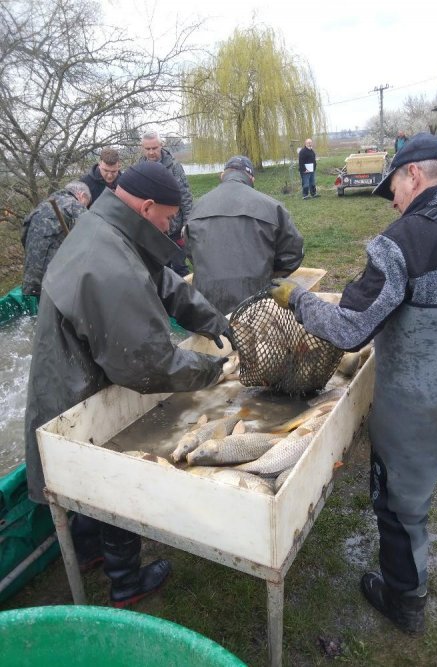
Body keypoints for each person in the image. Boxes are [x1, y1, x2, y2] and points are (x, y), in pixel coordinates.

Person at [268, 133, 437, 637]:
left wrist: (298, 298)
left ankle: (405, 602)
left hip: (423, 415)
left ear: (413, 175)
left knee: (401, 509)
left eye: (392, 186)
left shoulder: (404, 241)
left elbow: (349, 330)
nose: (391, 199)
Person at [24, 161, 233, 608]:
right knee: (105, 474)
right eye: (168, 217)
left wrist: (215, 321)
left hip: (69, 373)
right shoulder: (109, 261)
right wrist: (214, 369)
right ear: (148, 206)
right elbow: (150, 365)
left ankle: (88, 552)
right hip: (74, 389)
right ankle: (125, 583)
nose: (171, 225)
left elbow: (165, 281)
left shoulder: (108, 225)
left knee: (81, 477)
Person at [185, 155, 304, 315]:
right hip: (256, 302)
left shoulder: (196, 208)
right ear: (251, 178)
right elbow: (293, 253)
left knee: (213, 341)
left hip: (206, 305)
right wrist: (270, 274)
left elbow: (190, 252)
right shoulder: (273, 207)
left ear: (223, 175)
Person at [21, 181, 91, 297]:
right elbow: (89, 238)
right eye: (86, 203)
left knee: (34, 312)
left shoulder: (41, 206)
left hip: (30, 277)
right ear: (81, 195)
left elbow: (24, 235)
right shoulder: (74, 205)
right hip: (53, 279)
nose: (85, 207)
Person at [140, 130, 192, 277]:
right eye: (147, 149)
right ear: (142, 148)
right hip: (152, 230)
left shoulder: (174, 167)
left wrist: (186, 224)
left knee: (180, 269)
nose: (151, 152)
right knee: (159, 271)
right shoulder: (139, 168)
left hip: (175, 229)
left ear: (161, 146)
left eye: (154, 148)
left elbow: (186, 197)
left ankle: (187, 298)